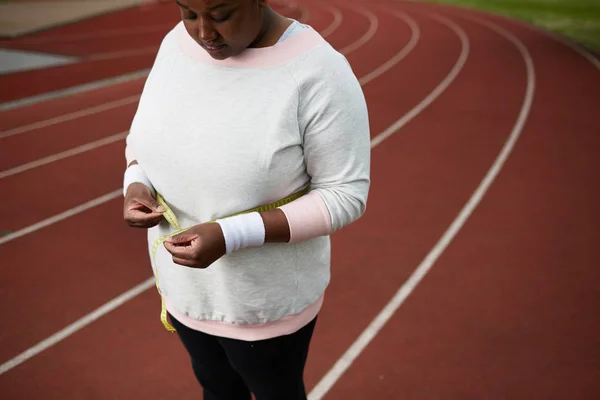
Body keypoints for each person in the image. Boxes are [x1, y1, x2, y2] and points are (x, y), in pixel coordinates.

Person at [122, 1, 370, 399]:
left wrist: (232, 234)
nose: (204, 33)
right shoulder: (176, 45)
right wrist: (136, 183)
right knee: (217, 390)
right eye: (189, 13)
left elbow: (345, 194)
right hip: (185, 290)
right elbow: (142, 137)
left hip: (263, 306)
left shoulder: (318, 73)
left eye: (221, 16)